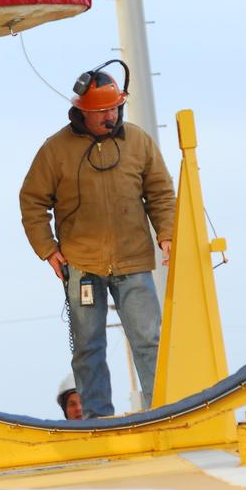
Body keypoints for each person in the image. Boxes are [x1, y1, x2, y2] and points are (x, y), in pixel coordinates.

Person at [20, 60, 175, 418]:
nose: (110, 116)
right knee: (88, 347)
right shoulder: (54, 150)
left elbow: (161, 192)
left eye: (114, 108)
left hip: (133, 261)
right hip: (81, 266)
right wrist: (47, 249)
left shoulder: (139, 141)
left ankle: (161, 413)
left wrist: (166, 233)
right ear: (80, 114)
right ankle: (97, 419)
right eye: (102, 111)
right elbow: (32, 202)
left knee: (150, 341)